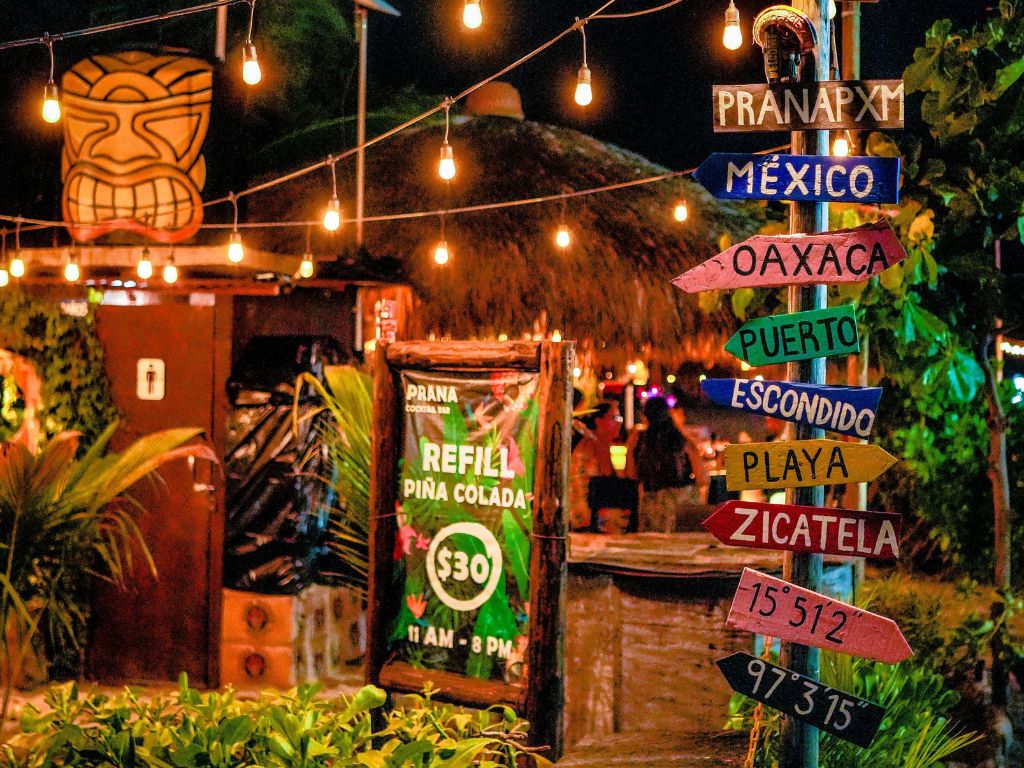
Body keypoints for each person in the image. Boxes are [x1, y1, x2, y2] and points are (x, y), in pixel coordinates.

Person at [626, 396, 709, 533]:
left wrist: (629, 448)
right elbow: (703, 479)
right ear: (668, 414)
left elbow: (630, 474)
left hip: (652, 506)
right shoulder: (682, 441)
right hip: (682, 505)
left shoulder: (639, 441)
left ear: (645, 416)